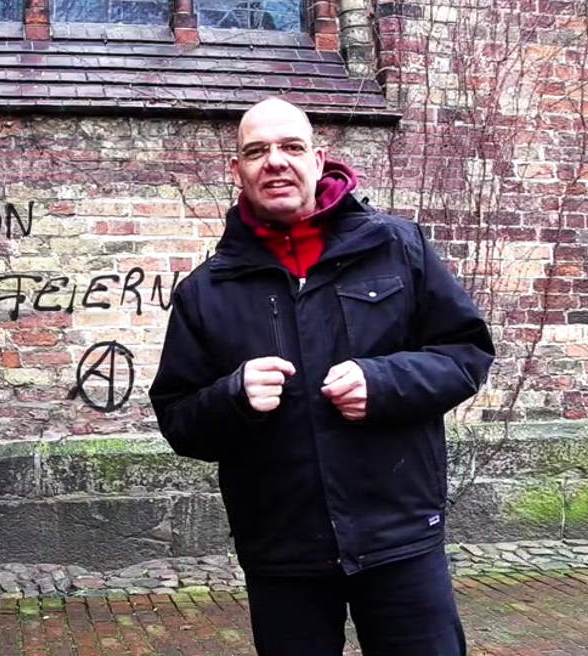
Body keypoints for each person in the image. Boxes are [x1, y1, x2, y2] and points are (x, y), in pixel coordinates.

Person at [148, 98, 495, 656]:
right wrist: (233, 397)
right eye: (256, 151)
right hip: (283, 552)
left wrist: (384, 384)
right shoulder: (205, 292)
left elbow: (465, 352)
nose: (275, 162)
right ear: (236, 171)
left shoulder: (397, 246)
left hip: (399, 535)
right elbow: (178, 419)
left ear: (318, 159)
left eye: (290, 147)